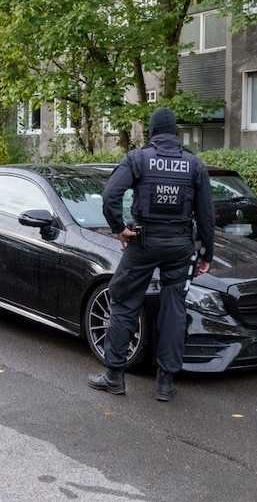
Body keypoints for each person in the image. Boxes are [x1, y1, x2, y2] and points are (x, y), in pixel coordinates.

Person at [88, 107, 215, 401]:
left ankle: (115, 377)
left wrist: (119, 227)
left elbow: (110, 196)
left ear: (152, 130)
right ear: (175, 132)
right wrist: (207, 251)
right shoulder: (194, 164)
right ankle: (165, 383)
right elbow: (207, 213)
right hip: (180, 246)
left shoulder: (138, 158)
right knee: (174, 309)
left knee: (124, 301)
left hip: (143, 243)